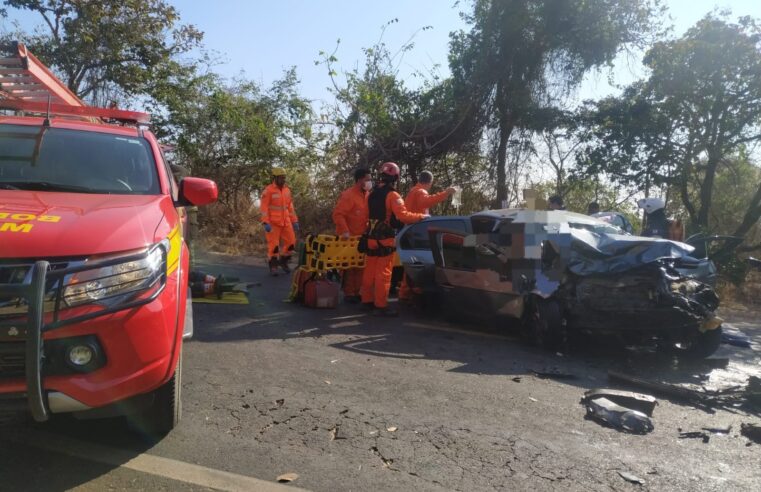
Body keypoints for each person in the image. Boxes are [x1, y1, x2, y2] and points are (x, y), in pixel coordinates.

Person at [361, 162, 427, 317]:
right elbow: (403, 216)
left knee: (369, 271)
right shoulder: (392, 195)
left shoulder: (370, 193)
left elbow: (365, 215)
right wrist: (422, 216)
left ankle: (367, 301)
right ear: (395, 177)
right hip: (385, 238)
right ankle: (381, 305)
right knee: (383, 273)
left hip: (370, 236)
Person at [397, 170, 456, 301]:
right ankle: (410, 291)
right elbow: (427, 202)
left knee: (411, 264)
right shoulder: (420, 192)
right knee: (417, 262)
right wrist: (446, 193)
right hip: (416, 230)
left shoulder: (414, 190)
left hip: (411, 229)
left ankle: (406, 291)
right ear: (429, 182)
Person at [332, 168, 372, 303]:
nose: (369, 182)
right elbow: (338, 214)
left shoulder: (367, 195)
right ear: (360, 180)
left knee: (360, 266)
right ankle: (349, 293)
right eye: (367, 179)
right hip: (348, 238)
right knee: (349, 267)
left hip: (361, 238)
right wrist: (345, 231)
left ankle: (357, 292)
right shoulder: (349, 195)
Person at [260, 167, 299, 276]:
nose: (283, 180)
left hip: (286, 222)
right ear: (275, 178)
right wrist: (265, 222)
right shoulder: (268, 190)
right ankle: (273, 266)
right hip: (273, 223)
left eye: (284, 177)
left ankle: (283, 261)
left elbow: (290, 207)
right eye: (281, 178)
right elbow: (264, 208)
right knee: (274, 246)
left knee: (291, 243)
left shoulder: (287, 190)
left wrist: (294, 221)